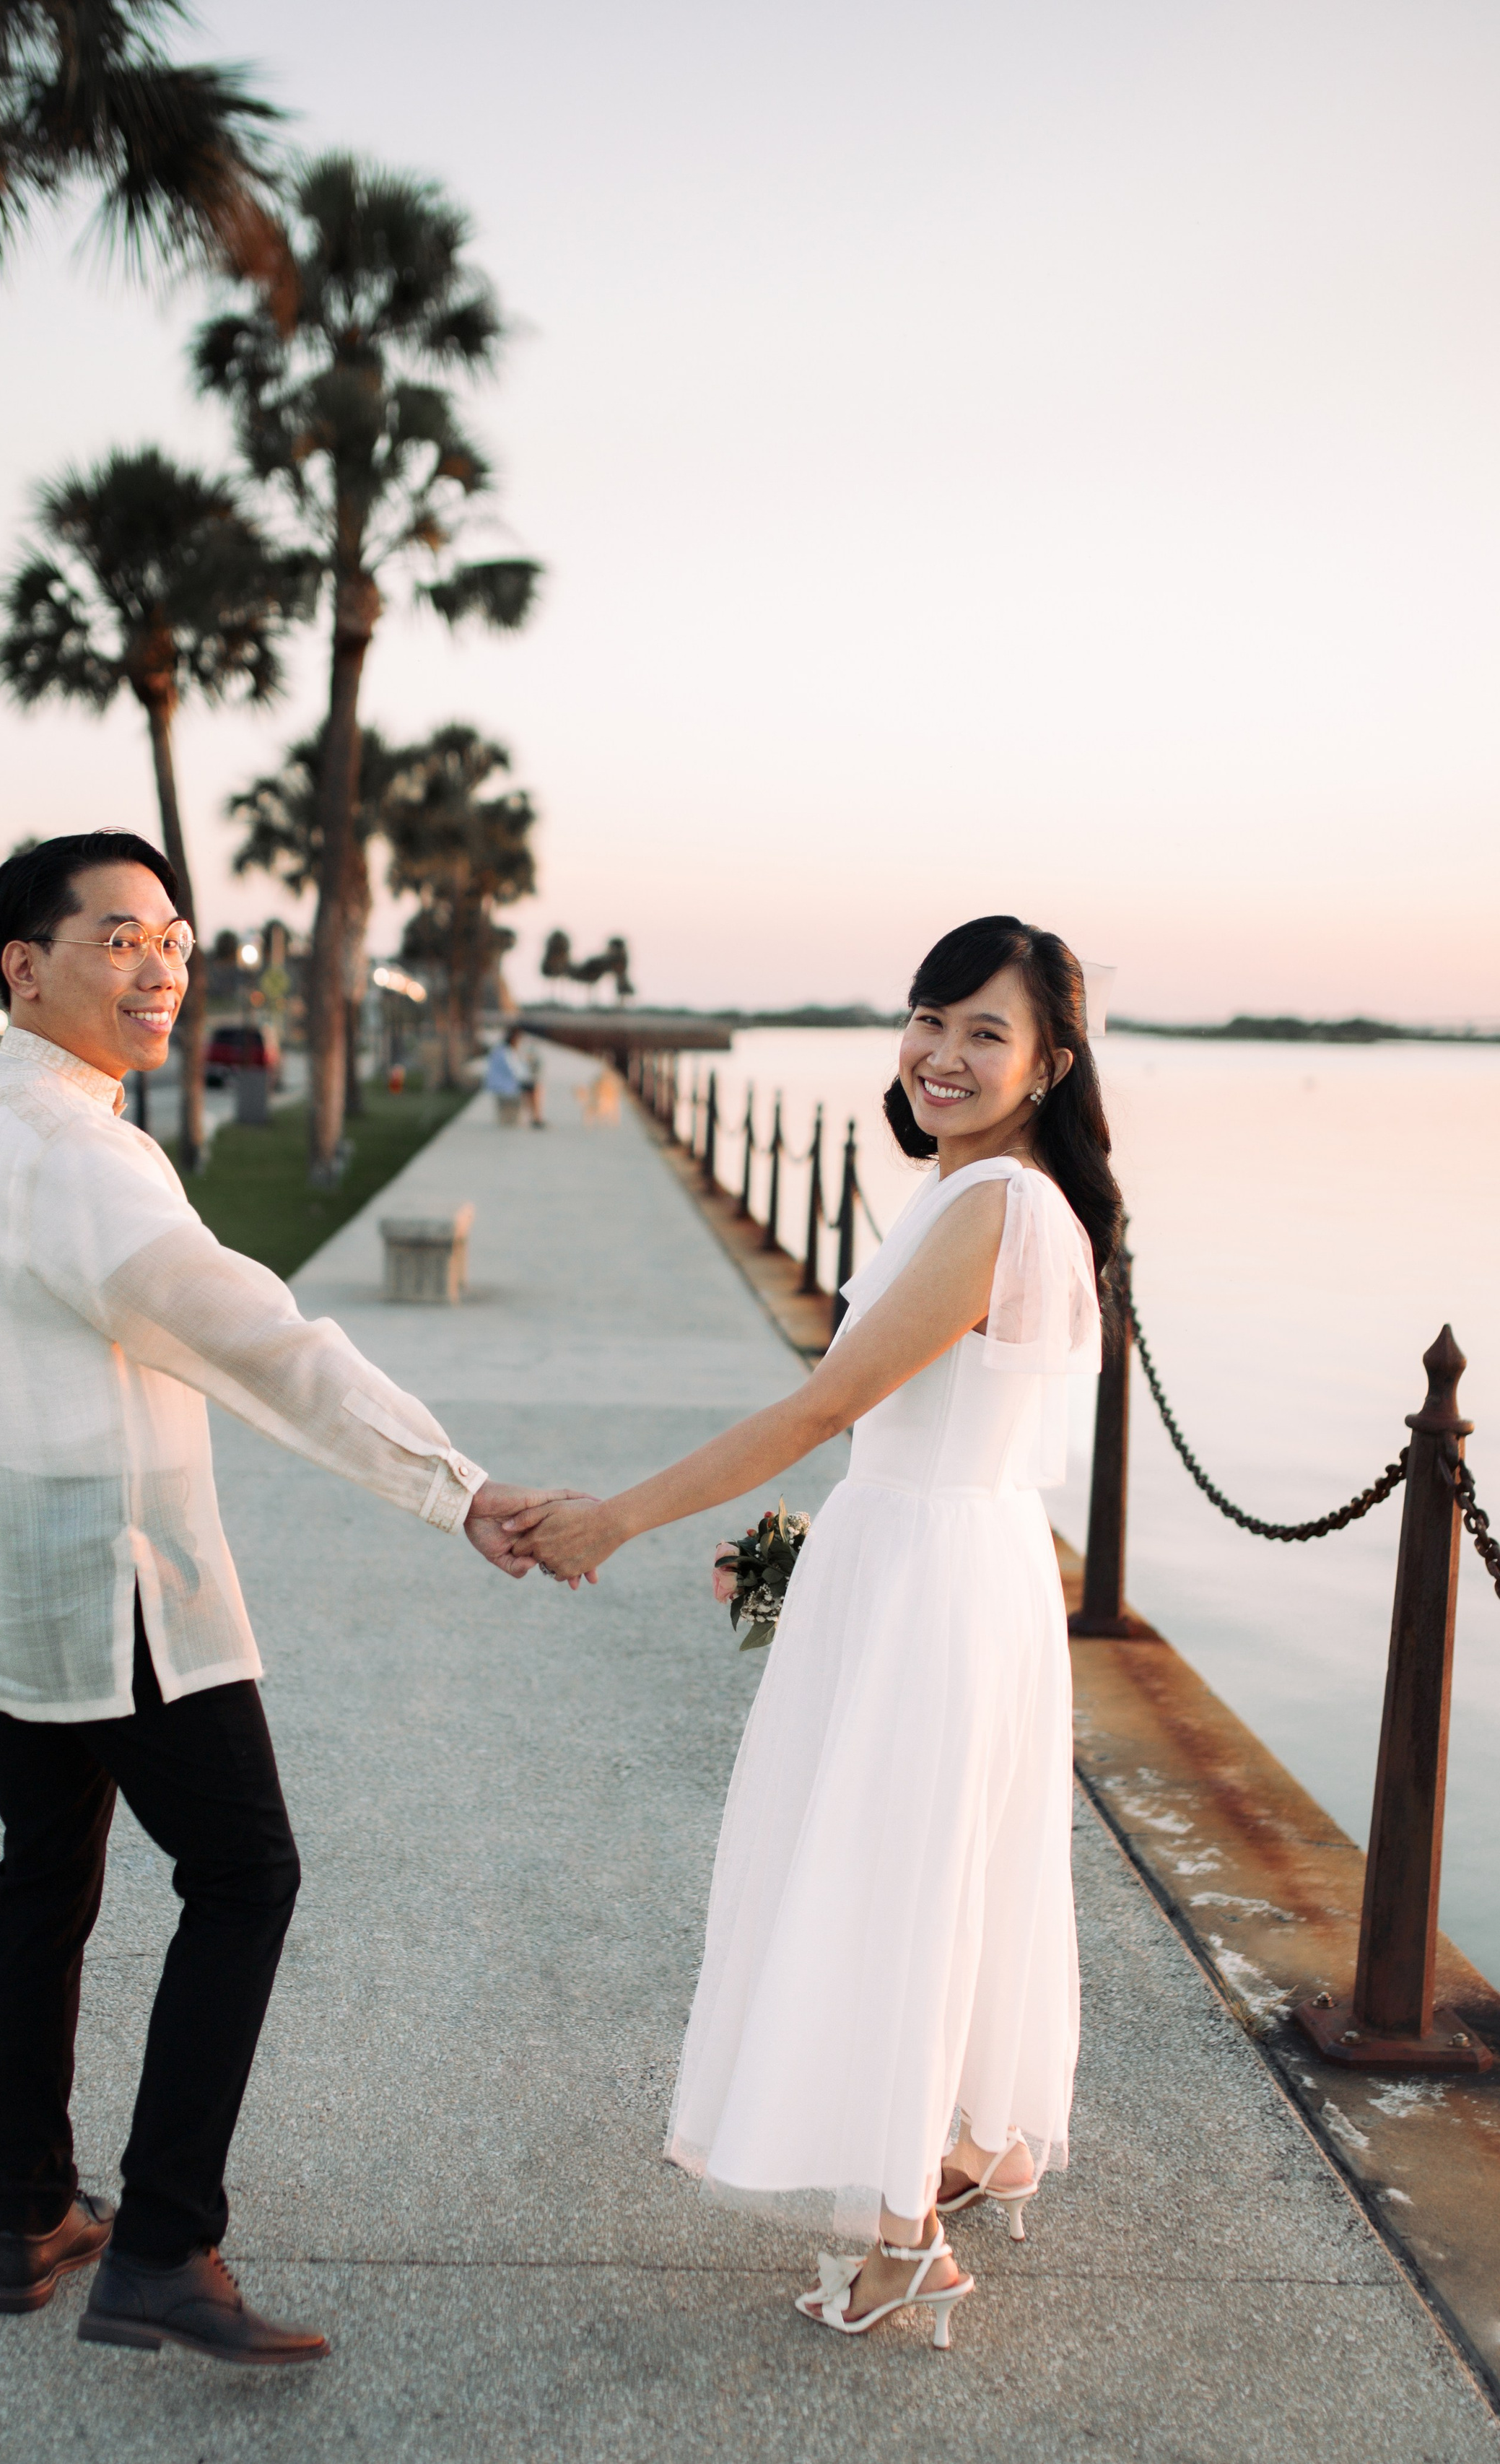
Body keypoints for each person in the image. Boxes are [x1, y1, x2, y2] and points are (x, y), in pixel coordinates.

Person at [0, 832, 560, 2367]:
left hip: (16, 1562)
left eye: (174, 939)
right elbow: (263, 1342)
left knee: (46, 1874)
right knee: (246, 1874)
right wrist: (448, 1482)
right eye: (120, 939)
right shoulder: (77, 1156)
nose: (161, 969)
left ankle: (31, 2213)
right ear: (25, 966)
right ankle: (160, 2243)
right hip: (112, 1578)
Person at [505, 916, 1117, 2348]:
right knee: (939, 1869)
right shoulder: (984, 1195)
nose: (942, 1055)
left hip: (931, 1578)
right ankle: (954, 2150)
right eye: (927, 1020)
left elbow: (820, 1410)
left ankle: (905, 2247)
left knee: (890, 1879)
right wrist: (793, 1547)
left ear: (1048, 1062)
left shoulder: (992, 1207)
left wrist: (616, 1518)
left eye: (984, 1032)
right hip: (940, 1558)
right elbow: (915, 1425)